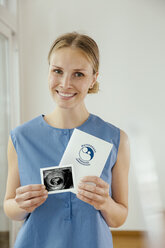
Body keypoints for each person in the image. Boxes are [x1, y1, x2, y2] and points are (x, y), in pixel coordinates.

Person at [3, 31, 130, 248]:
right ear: (48, 72)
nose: (65, 83)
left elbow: (119, 217)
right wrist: (21, 204)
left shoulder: (115, 139)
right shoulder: (21, 137)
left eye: (78, 74)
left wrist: (105, 203)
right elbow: (9, 207)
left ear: (93, 79)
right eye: (57, 71)